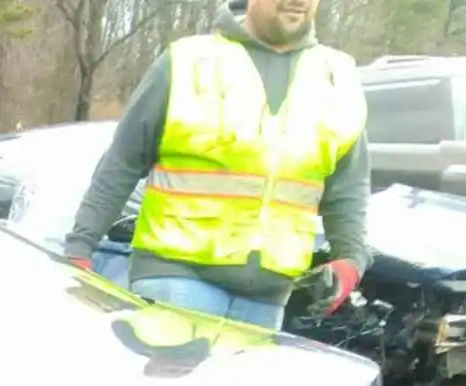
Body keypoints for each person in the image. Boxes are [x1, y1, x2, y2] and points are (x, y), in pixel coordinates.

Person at [63, 0, 370, 330]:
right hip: (177, 278)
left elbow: (348, 187)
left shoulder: (337, 77)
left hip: (268, 299)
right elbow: (121, 162)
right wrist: (80, 247)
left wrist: (351, 258)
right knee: (179, 384)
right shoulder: (188, 62)